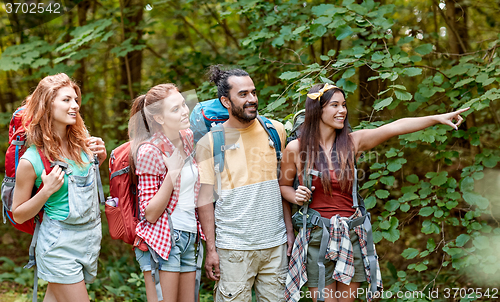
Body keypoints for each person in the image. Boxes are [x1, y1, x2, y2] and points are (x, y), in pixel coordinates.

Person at [280, 83, 469, 302]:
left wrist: (438, 117)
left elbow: (395, 127)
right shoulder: (296, 148)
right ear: (317, 110)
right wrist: (295, 196)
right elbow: (283, 185)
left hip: (350, 233)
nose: (342, 110)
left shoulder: (352, 143)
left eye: (343, 105)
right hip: (315, 236)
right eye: (334, 105)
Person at [195, 65, 294, 302]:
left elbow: (282, 187)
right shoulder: (210, 143)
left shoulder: (275, 131)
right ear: (226, 102)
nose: (252, 99)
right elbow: (205, 201)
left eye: (253, 92)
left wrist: (289, 232)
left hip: (276, 246)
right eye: (243, 94)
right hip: (233, 250)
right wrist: (211, 250)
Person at [12, 73, 107, 302]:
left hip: (89, 239)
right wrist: (46, 191)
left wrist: (99, 160)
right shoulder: (31, 160)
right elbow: (18, 213)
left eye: (75, 100)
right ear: (47, 105)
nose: (74, 106)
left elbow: (85, 189)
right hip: (58, 245)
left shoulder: (83, 146)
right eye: (66, 100)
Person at [129, 84, 205, 302]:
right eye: (175, 109)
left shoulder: (188, 138)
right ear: (160, 119)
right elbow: (150, 213)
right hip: (163, 239)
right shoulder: (149, 151)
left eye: (183, 104)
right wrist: (172, 173)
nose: (184, 111)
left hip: (190, 236)